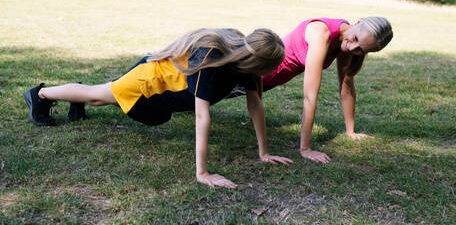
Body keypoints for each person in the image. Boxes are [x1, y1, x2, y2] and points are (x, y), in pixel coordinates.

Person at [24, 28, 293, 188]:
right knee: (97, 96)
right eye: (274, 65)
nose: (275, 71)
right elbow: (202, 116)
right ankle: (40, 94)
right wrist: (202, 173)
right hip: (150, 81)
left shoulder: (245, 65)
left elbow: (255, 105)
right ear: (257, 60)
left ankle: (77, 97)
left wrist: (264, 152)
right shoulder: (212, 58)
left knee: (101, 94)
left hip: (165, 92)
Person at [261, 17, 393, 163]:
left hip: (266, 83)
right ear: (358, 22)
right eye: (355, 39)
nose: (352, 48)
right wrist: (305, 149)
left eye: (360, 50)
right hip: (257, 74)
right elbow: (310, 96)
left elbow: (346, 85)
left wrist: (351, 131)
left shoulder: (345, 39)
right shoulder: (321, 33)